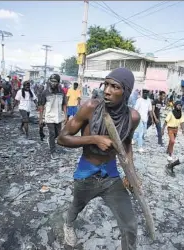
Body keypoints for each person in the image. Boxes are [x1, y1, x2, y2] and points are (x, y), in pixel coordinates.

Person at [57, 68, 140, 248]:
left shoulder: (133, 117)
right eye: (106, 84)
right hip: (87, 173)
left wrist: (131, 174)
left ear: (125, 92)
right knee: (77, 206)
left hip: (111, 176)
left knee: (130, 225)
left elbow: (126, 145)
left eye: (115, 87)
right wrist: (93, 139)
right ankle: (68, 224)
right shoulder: (90, 108)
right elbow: (61, 138)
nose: (107, 91)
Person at [39, 74, 67, 159]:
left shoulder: (61, 91)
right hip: (49, 116)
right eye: (52, 81)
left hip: (58, 116)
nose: (53, 83)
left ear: (58, 82)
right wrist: (40, 118)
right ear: (49, 81)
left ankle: (50, 141)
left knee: (58, 134)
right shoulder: (45, 92)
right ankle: (52, 151)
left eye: (55, 81)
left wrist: (66, 116)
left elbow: (64, 104)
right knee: (52, 133)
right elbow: (41, 106)